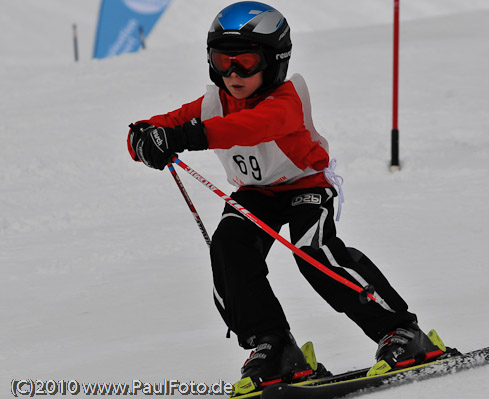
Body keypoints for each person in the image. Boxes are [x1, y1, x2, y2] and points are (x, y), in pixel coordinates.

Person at [127, 1, 443, 394]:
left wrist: (187, 137)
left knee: (313, 252)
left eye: (245, 61)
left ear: (274, 61)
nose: (233, 73)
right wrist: (142, 138)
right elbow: (160, 125)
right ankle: (274, 346)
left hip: (307, 186)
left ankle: (401, 331)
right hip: (256, 193)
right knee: (229, 245)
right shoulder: (213, 103)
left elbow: (250, 127)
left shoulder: (286, 100)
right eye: (222, 61)